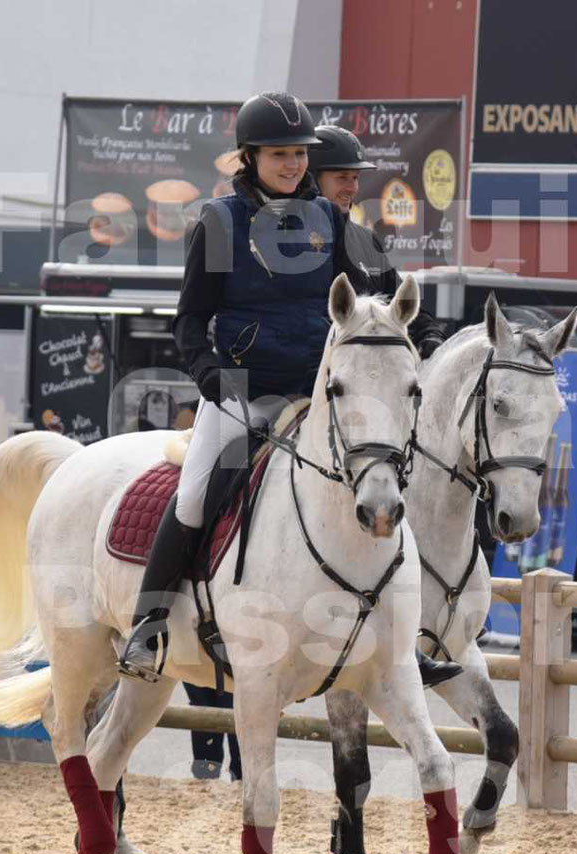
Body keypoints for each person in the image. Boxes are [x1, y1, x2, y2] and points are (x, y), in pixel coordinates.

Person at [119, 91, 459, 688]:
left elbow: (380, 290)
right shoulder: (219, 221)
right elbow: (190, 320)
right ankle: (148, 624)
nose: (293, 165)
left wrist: (428, 335)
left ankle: (402, 641)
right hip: (242, 388)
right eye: (280, 155)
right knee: (198, 494)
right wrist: (210, 376)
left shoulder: (331, 220)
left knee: (384, 479)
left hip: (320, 393)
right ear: (249, 157)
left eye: (299, 154)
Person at [309, 125, 446, 358]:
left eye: (355, 178)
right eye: (342, 178)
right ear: (312, 179)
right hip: (316, 375)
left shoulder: (366, 239)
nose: (351, 188)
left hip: (372, 373)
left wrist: (429, 334)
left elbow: (399, 297)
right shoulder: (290, 240)